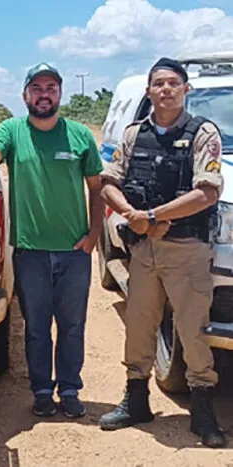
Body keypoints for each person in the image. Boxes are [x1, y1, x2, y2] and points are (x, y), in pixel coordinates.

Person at [0, 63, 104, 418]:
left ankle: (70, 389)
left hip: (74, 252)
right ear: (25, 95)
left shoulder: (79, 136)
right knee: (36, 328)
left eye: (51, 87)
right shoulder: (13, 131)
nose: (44, 94)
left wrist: (94, 235)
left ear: (60, 94)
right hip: (31, 252)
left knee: (72, 326)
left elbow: (97, 189)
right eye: (37, 88)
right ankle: (43, 391)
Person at [99, 57, 226, 448]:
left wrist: (153, 215)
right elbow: (108, 183)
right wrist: (132, 217)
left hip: (186, 249)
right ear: (149, 91)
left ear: (185, 89)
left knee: (192, 330)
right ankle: (136, 399)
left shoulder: (204, 133)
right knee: (139, 326)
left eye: (174, 83)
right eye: (159, 84)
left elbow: (208, 191)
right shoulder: (135, 135)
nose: (166, 89)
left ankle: (203, 410)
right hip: (144, 250)